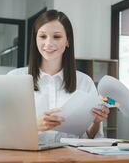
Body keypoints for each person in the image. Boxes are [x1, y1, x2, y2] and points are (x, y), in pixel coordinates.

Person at [8, 9, 109, 143]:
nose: (48, 43)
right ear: (35, 39)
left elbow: (89, 137)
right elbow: (2, 131)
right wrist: (34, 126)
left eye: (56, 37)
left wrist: (96, 122)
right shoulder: (14, 78)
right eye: (43, 36)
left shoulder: (84, 82)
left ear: (68, 41)